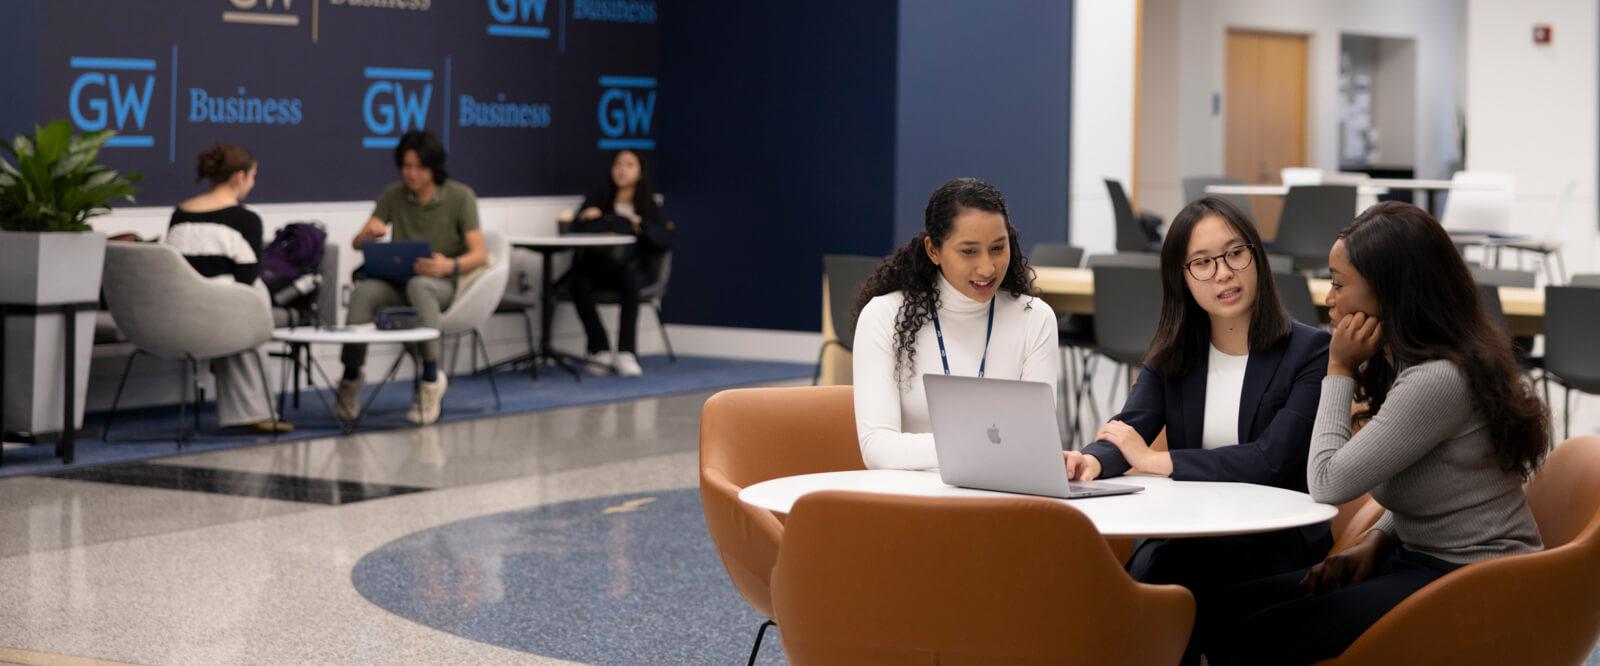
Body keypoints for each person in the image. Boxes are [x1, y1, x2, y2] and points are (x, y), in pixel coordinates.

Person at [1214, 202, 1548, 665]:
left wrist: (1339, 366)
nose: (1328, 298)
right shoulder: (1419, 361)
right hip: (1427, 558)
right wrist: (1379, 538)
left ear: (1389, 292)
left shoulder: (1437, 380)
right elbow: (1442, 489)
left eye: (1338, 283)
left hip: (1476, 580)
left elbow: (1327, 482)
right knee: (1236, 605)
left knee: (1261, 636)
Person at [1066, 196, 1333, 664]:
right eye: (1203, 263)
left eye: (1235, 253)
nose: (1224, 273)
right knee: (1140, 577)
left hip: (1273, 542)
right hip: (1191, 534)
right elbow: (1132, 426)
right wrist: (1091, 460)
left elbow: (1271, 460)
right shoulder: (1175, 352)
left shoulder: (1309, 352)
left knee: (1168, 576)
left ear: (1257, 257)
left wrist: (1156, 461)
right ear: (1183, 279)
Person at [851, 177, 1060, 470]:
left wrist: (960, 446)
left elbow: (1037, 441)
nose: (987, 268)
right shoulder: (885, 316)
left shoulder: (1034, 318)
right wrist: (982, 444)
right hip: (911, 501)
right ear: (933, 250)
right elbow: (877, 449)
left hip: (1002, 497)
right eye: (969, 251)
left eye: (998, 248)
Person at [338, 130, 488, 425]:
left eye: (419, 167)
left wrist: (450, 265)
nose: (411, 174)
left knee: (421, 285)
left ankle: (430, 380)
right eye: (406, 166)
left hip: (441, 283)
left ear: (434, 167)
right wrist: (367, 235)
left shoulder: (461, 196)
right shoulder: (393, 194)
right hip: (398, 281)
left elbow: (480, 254)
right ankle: (351, 377)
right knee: (364, 292)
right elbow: (357, 243)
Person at [163, 143, 290, 434]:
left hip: (175, 316)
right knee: (254, 297)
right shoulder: (245, 220)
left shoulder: (179, 214)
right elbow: (246, 280)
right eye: (253, 177)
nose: (252, 184)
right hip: (221, 318)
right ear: (239, 177)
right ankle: (254, 411)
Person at [563, 149, 672, 377]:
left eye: (629, 165)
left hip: (632, 268)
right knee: (578, 282)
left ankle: (626, 352)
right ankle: (600, 349)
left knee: (629, 279)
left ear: (640, 172)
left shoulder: (648, 205)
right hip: (598, 266)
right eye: (618, 164)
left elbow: (664, 239)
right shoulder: (599, 198)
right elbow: (572, 233)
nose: (622, 170)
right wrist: (585, 219)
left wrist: (639, 224)